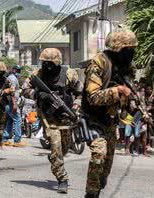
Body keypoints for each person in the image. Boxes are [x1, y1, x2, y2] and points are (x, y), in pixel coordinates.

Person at [83, 29, 137, 197]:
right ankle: (91, 194)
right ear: (118, 49)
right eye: (129, 50)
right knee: (98, 156)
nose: (132, 54)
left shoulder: (125, 67)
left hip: (110, 121)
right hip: (93, 119)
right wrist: (118, 90)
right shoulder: (99, 63)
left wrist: (130, 103)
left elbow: (128, 95)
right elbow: (92, 97)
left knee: (105, 170)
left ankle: (97, 187)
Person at [23, 48, 83, 194]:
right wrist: (38, 94)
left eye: (51, 64)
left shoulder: (69, 74)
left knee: (64, 147)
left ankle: (55, 159)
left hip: (66, 116)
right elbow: (24, 89)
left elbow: (81, 93)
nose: (48, 67)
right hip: (48, 117)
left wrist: (75, 107)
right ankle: (62, 178)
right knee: (56, 146)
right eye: (45, 63)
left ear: (58, 64)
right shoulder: (37, 74)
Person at [2, 65, 24, 147]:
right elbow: (12, 92)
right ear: (14, 70)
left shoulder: (10, 77)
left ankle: (5, 139)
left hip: (8, 102)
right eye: (18, 70)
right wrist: (14, 104)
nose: (19, 72)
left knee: (10, 120)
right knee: (18, 119)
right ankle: (17, 141)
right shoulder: (13, 79)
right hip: (11, 103)